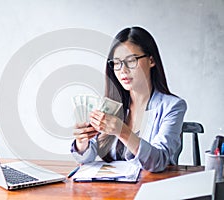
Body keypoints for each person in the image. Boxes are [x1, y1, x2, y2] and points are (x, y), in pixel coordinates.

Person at [71, 26, 187, 172]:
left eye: (131, 60)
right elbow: (86, 158)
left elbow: (159, 161)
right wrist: (83, 142)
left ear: (151, 60)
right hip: (112, 191)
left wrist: (122, 131)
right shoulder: (111, 104)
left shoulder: (172, 106)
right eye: (117, 63)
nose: (123, 70)